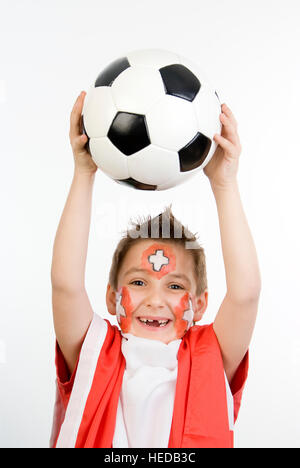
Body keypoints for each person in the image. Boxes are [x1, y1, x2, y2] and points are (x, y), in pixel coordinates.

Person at [50, 91, 261, 448]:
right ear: (112, 296)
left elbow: (245, 294)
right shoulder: (94, 351)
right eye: (138, 281)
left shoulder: (210, 355)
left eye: (175, 287)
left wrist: (224, 184)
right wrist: (83, 173)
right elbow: (66, 285)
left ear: (200, 302)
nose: (155, 299)